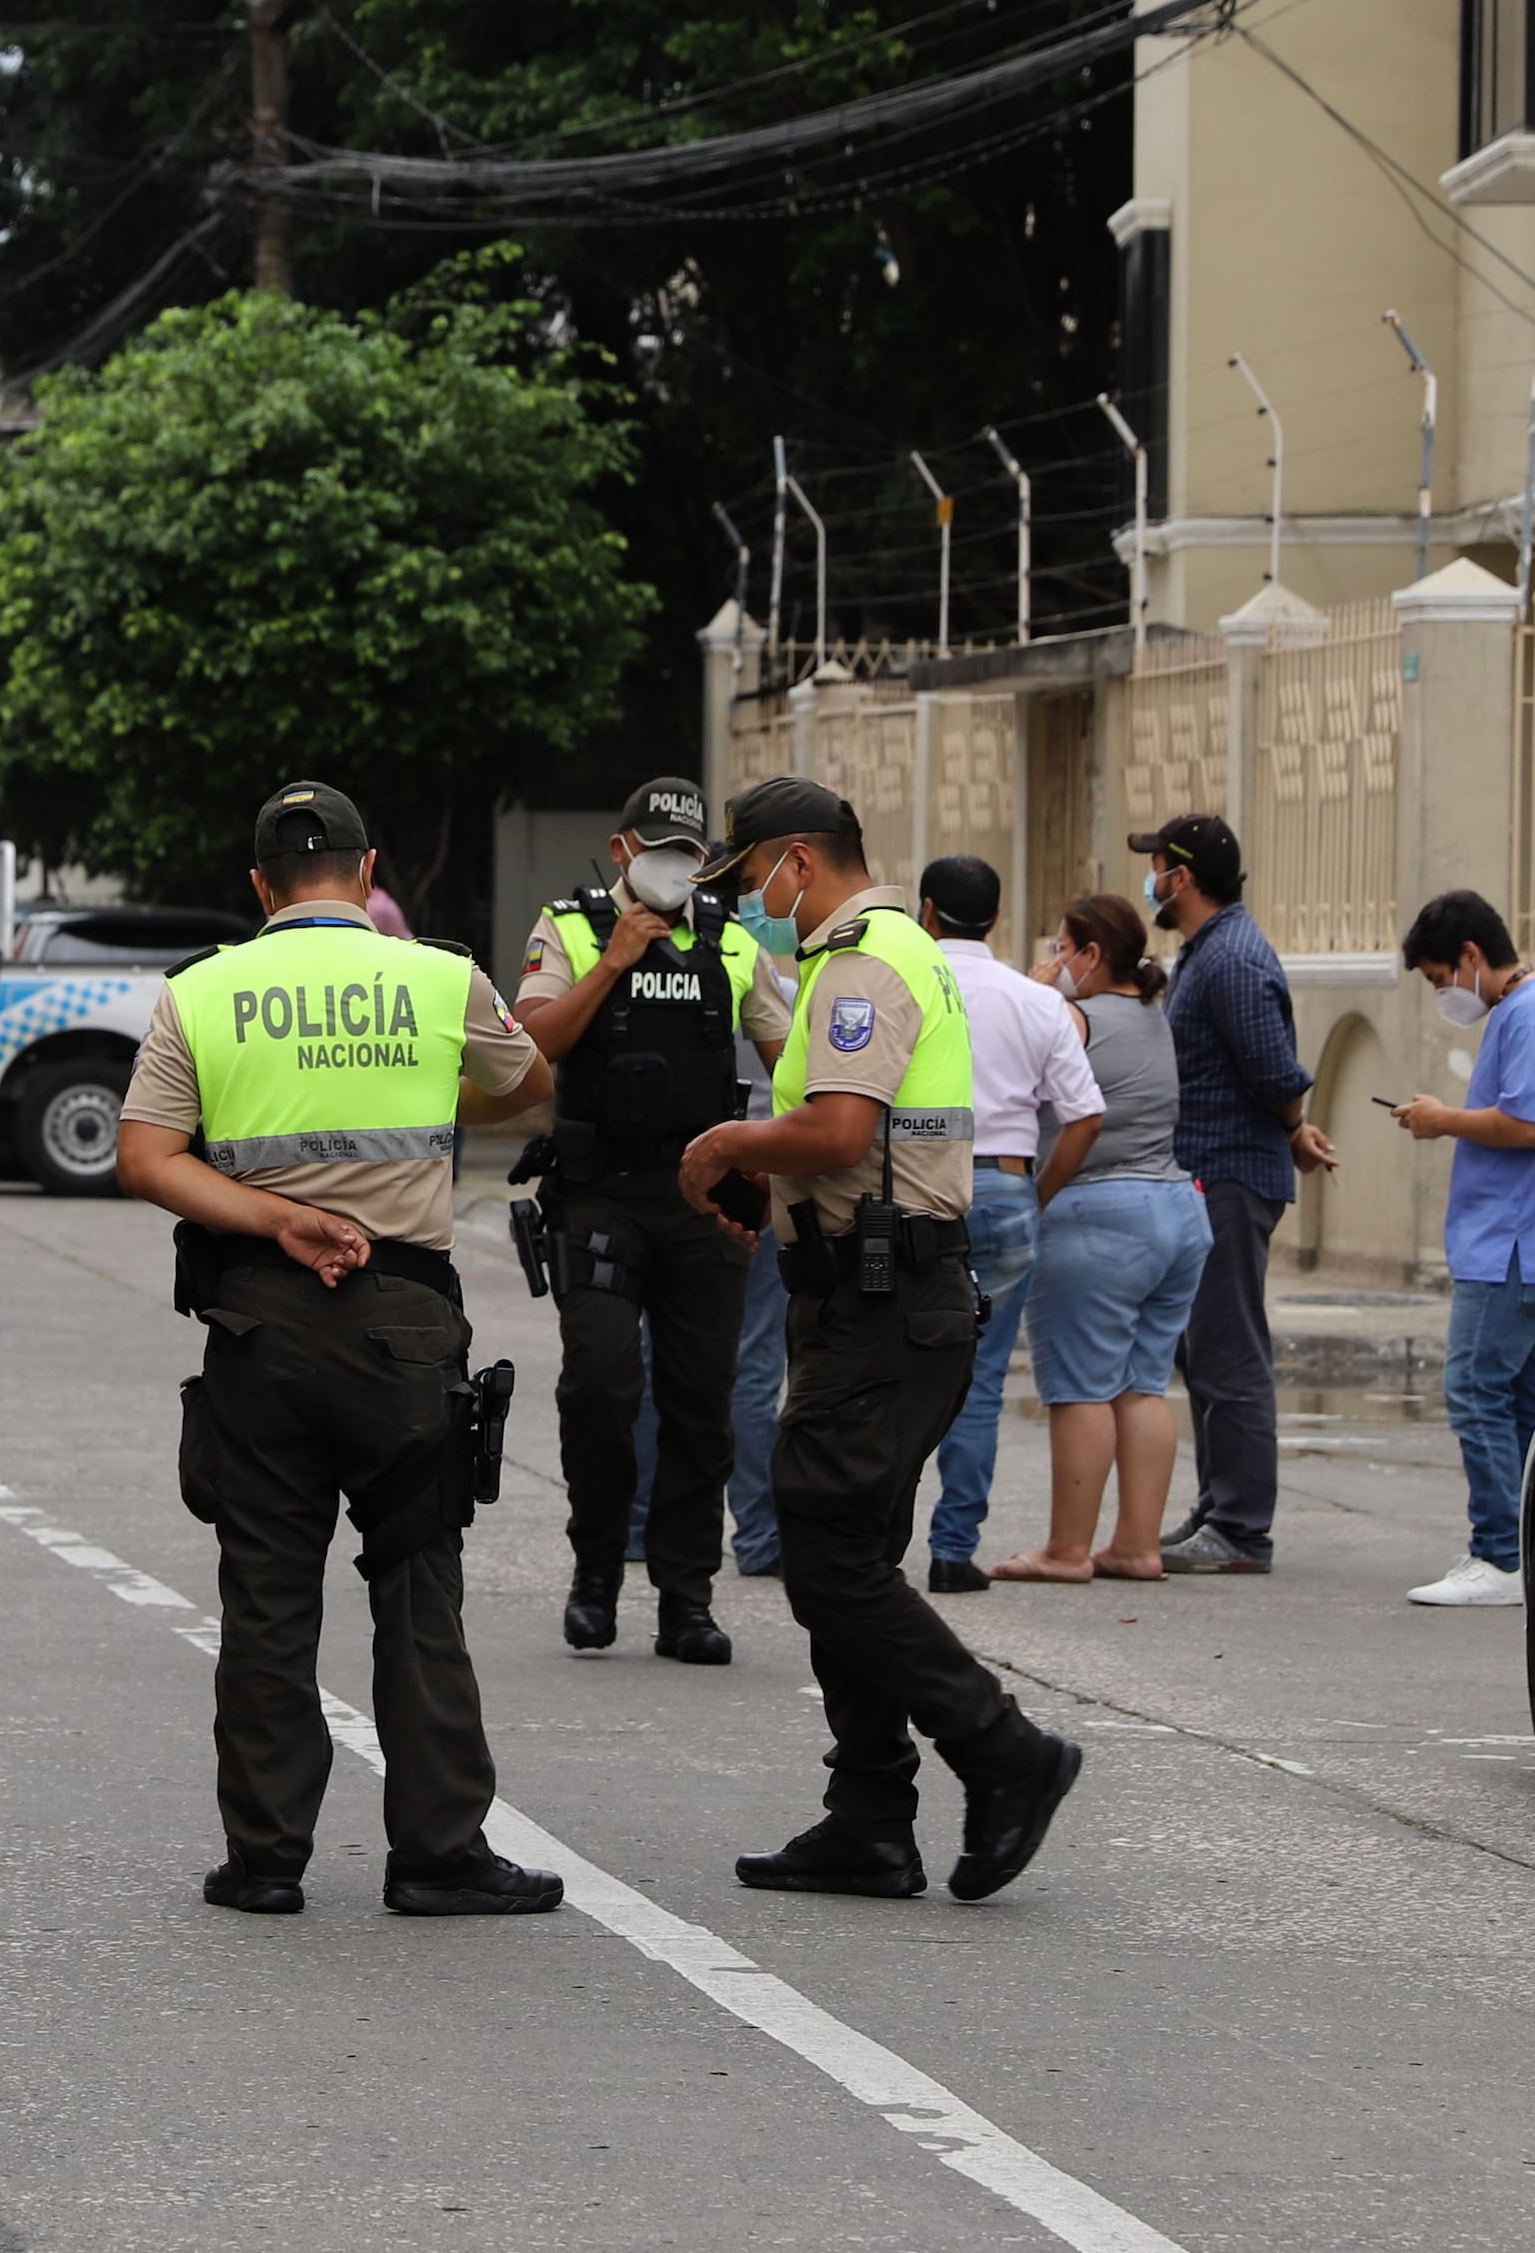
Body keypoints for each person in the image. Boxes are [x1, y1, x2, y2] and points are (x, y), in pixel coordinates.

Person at [120, 780, 564, 1920]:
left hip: (258, 1323)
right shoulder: (438, 979)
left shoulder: (201, 991)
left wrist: (273, 1216)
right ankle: (437, 1855)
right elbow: (527, 1092)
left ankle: (264, 1859)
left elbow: (144, 1156)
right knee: (417, 1591)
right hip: (404, 1329)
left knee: (266, 1598)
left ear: (260, 886)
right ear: (368, 879)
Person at [676, 779, 1083, 1904]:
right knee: (838, 1554)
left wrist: (727, 1147)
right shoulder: (872, 956)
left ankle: (1004, 1752)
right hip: (867, 1295)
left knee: (830, 1557)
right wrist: (779, 1199)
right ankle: (867, 1816)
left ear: (796, 864)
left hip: (885, 1311)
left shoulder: (860, 959)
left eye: (748, 880)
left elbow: (838, 1125)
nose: (745, 904)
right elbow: (870, 1149)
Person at [512, 774, 790, 1665]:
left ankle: (686, 1596)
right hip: (600, 1193)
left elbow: (787, 1062)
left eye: (689, 852)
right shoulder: (570, 926)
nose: (674, 867)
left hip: (701, 1204)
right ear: (624, 846)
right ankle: (596, 1571)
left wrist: (772, 1164)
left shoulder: (732, 939)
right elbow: (532, 1047)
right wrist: (612, 962)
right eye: (658, 849)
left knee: (701, 1401)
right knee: (600, 1384)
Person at [1390, 889, 1535, 1609]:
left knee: (1476, 1389)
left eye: (1440, 977)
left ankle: (1500, 1553)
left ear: (1472, 957)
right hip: (1519, 1237)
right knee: (1512, 1398)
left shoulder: (1533, 1013)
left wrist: (1443, 1118)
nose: (1444, 992)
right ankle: (1523, 1547)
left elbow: (1529, 1124)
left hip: (1513, 1240)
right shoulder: (1526, 1010)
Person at [997, 895, 1213, 1582]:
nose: (1055, 959)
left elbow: (1019, 1076)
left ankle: (1067, 1550)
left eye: (1063, 947)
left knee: (1082, 1387)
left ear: (1091, 955)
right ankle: (1138, 1545)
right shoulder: (1155, 1012)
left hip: (1096, 1213)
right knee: (1142, 1386)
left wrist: (1032, 992)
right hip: (1176, 1210)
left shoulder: (1069, 1014)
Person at [1137, 812, 1330, 1576]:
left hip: (1228, 1175)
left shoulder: (1234, 960)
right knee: (1203, 1350)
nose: (1149, 880)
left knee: (1229, 1350)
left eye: (1156, 866)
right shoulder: (1207, 953)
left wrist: (1293, 1125)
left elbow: (1274, 1072)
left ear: (1180, 878)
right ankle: (1219, 1506)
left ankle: (1243, 1526)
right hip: (1209, 1170)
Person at [914, 855, 1101, 1593]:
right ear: (994, 919)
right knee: (981, 1378)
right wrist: (1036, 1192)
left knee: (894, 1365)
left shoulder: (903, 986)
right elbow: (1084, 1114)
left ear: (927, 911)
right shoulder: (1037, 1001)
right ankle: (953, 1547)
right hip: (1004, 1187)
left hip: (913, 1181)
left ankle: (873, 1531)